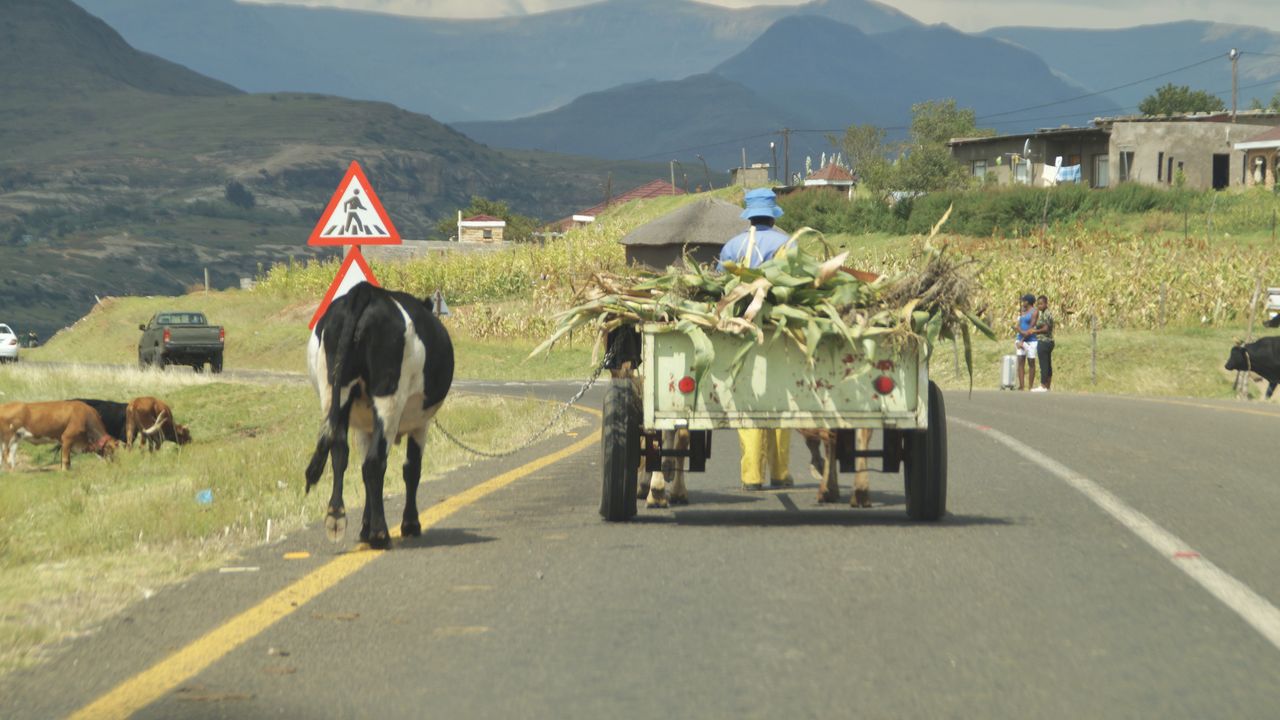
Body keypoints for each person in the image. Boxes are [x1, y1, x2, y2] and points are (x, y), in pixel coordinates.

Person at [721, 188, 794, 490]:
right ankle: (779, 473)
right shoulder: (788, 244)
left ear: (749, 216)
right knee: (780, 398)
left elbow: (720, 287)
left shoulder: (733, 247)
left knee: (748, 399)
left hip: (742, 329)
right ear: (773, 215)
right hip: (782, 329)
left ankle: (751, 476)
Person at [1013, 293, 1038, 391]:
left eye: (1024, 301)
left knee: (1031, 362)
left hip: (1031, 340)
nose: (1022, 302)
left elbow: (1031, 328)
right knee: (1020, 361)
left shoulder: (1034, 312)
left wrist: (1022, 337)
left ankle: (1030, 386)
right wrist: (1019, 335)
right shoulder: (1022, 311)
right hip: (1020, 339)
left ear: (1029, 302)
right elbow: (1019, 324)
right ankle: (1021, 386)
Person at [1031, 295, 1055, 392]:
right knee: (1048, 364)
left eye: (1041, 304)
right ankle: (1048, 385)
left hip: (1044, 341)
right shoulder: (1045, 313)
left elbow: (1046, 329)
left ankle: (1043, 385)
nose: (1039, 306)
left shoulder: (1046, 314)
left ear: (1046, 303)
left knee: (1043, 364)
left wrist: (1035, 331)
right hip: (1049, 341)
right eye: (1038, 304)